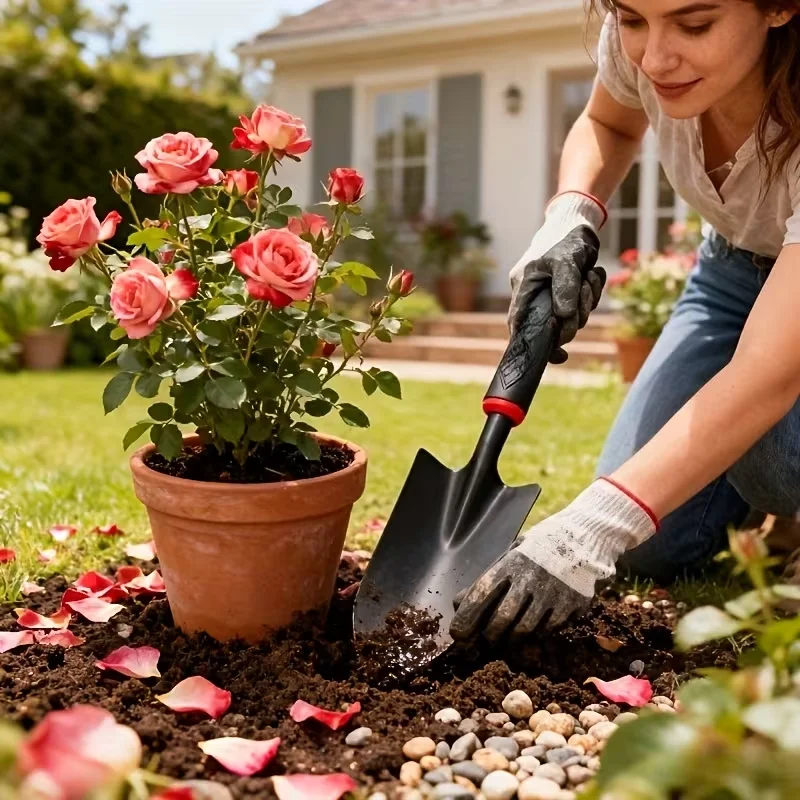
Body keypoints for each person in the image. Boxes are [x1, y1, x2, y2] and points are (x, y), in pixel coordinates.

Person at [450, 0, 800, 643]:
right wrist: (571, 214)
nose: (654, 57)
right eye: (631, 18)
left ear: (780, 7)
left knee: (774, 457)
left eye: (695, 25)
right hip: (731, 265)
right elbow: (607, 123)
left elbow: (767, 373)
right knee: (649, 548)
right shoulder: (643, 34)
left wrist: (593, 526)